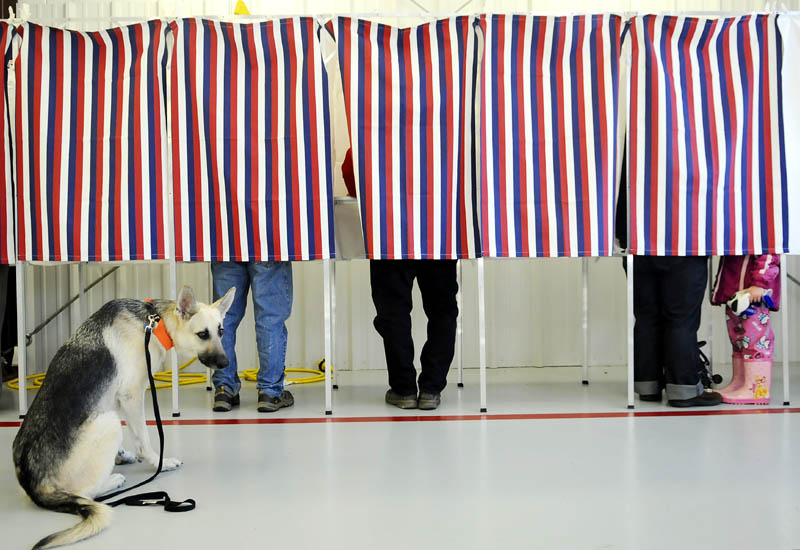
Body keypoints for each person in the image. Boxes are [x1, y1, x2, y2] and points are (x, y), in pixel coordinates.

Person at [342, 148, 457, 410]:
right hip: (438, 231)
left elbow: (351, 171)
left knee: (393, 314)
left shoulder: (374, 130)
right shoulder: (446, 132)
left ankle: (403, 389)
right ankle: (431, 388)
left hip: (389, 232)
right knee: (442, 312)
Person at [615, 151, 721, 408]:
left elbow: (623, 189)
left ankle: (648, 386)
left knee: (647, 316)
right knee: (680, 318)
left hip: (639, 242)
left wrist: (623, 236)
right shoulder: (696, 137)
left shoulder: (640, 135)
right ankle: (684, 390)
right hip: (685, 241)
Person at [211, 261, 294, 413]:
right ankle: (270, 392)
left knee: (223, 319)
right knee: (270, 318)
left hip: (226, 243)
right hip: (267, 244)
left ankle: (224, 389)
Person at [710, 254, 780, 404]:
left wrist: (759, 283)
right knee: (739, 341)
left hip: (753, 294)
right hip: (735, 292)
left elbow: (770, 252)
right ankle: (741, 382)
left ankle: (756, 390)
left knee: (756, 340)